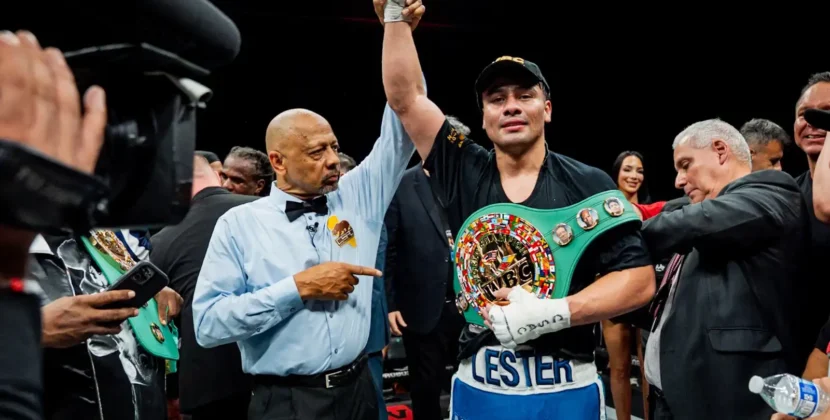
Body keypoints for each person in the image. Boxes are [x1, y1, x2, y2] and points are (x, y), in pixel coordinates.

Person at [375, 1, 655, 418]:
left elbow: (639, 280)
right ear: (484, 116)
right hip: (480, 384)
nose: (510, 106)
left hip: (566, 385)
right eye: (497, 99)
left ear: (547, 109)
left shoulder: (588, 182)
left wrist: (552, 313)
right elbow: (408, 100)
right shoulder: (462, 168)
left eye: (525, 96)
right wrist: (395, 17)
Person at [192, 5, 424, 419]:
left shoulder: (358, 197)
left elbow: (406, 118)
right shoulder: (239, 225)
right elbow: (208, 325)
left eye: (334, 147)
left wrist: (397, 25)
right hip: (287, 402)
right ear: (278, 162)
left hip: (361, 390)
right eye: (317, 152)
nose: (333, 160)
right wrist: (297, 288)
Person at [641, 119, 809, 420]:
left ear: (720, 151)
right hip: (671, 400)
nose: (679, 180)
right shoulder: (706, 210)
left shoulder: (773, 191)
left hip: (730, 402)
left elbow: (691, 222)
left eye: (685, 165)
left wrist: (623, 241)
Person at [150, 155, 257, 420]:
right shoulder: (264, 210)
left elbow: (161, 325)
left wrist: (171, 390)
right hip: (276, 375)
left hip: (207, 387)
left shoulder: (160, 242)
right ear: (219, 177)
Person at [383, 116, 472, 420]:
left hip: (470, 306)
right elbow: (388, 250)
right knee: (425, 389)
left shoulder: (473, 184)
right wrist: (390, 304)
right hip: (421, 307)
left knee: (473, 383)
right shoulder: (401, 184)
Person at [339, 155, 391, 420]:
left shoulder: (368, 219)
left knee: (372, 404)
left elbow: (374, 281)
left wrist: (372, 331)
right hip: (329, 338)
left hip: (366, 333)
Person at [603, 150, 653, 420]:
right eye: (628, 169)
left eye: (640, 171)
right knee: (619, 367)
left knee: (649, 371)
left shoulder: (653, 211)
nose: (634, 176)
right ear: (616, 174)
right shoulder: (602, 211)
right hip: (614, 295)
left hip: (646, 296)